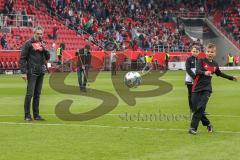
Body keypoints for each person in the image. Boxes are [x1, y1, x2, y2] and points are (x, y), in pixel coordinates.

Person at [189, 43, 238, 135]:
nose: (209, 53)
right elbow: (197, 71)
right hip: (196, 88)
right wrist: (204, 73)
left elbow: (219, 73)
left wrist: (231, 77)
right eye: (208, 51)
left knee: (200, 108)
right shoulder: (201, 60)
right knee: (196, 109)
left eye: (212, 52)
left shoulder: (215, 64)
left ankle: (193, 128)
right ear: (205, 52)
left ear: (215, 53)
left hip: (207, 89)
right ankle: (208, 124)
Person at [19, 26, 50, 121]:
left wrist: (44, 49)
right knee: (30, 94)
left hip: (41, 71)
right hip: (32, 72)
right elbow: (22, 58)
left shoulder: (43, 43)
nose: (39, 35)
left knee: (37, 94)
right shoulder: (28, 44)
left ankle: (36, 115)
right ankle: (27, 115)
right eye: (38, 34)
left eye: (41, 34)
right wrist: (23, 72)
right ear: (34, 33)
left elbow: (47, 57)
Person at [185, 46, 199, 113]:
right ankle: (192, 109)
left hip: (197, 81)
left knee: (198, 95)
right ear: (191, 52)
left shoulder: (199, 60)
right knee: (191, 94)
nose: (195, 53)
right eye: (193, 51)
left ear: (198, 52)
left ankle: (198, 109)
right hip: (190, 80)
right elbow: (188, 69)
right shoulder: (188, 59)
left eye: (196, 51)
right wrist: (194, 77)